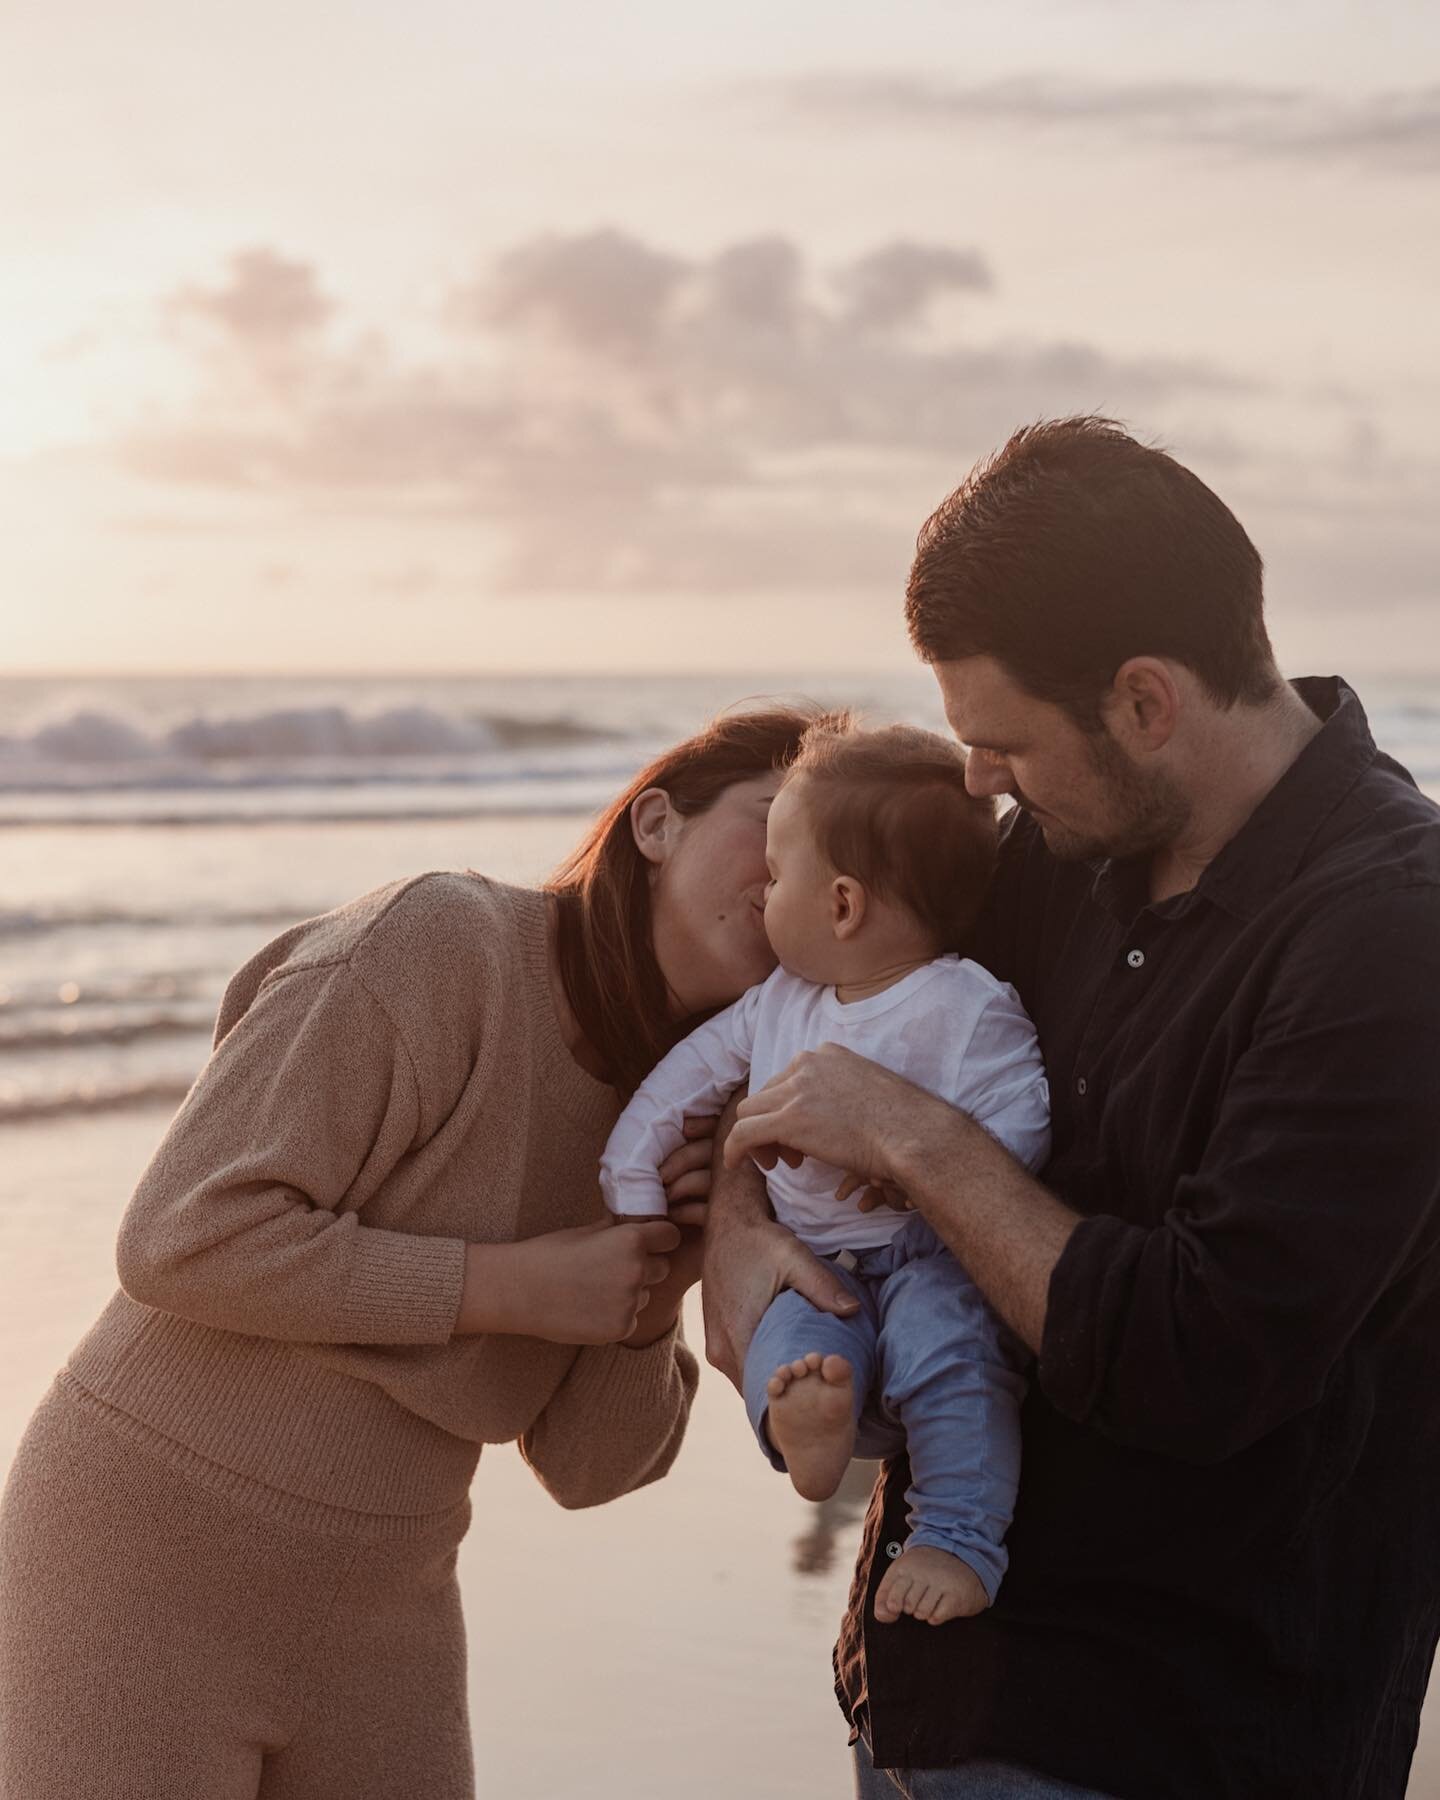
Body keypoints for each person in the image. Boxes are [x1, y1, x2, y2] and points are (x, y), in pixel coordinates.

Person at [703, 417, 1440, 1800]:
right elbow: (835, 1020)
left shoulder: (1391, 935)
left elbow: (1199, 1354)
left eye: (1006, 744)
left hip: (1180, 1731)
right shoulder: (1057, 848)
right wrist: (736, 1229)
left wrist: (916, 1142)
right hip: (933, 1692)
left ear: (1146, 702)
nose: (977, 781)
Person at [0, 704, 832, 1800]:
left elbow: (590, 1473)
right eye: (770, 829)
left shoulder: (682, 1116)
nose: (788, 881)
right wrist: (511, 1288)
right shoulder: (445, 943)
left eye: (823, 867)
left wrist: (658, 1276)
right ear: (656, 824)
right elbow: (179, 1237)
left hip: (389, 1596)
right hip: (143, 1556)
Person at [601, 719, 1050, 1625]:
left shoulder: (965, 1007)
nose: (763, 890)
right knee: (798, 1339)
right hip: (815, 1255)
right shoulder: (780, 1003)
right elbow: (684, 1085)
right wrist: (635, 1185)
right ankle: (808, 1432)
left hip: (933, 1256)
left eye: (779, 873)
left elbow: (1023, 1117)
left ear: (842, 906)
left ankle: (958, 1539)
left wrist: (926, 1169)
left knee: (952, 1356)